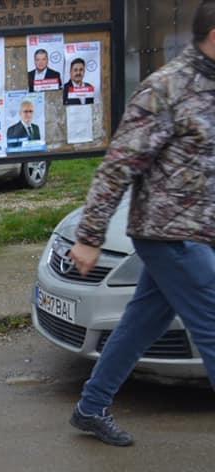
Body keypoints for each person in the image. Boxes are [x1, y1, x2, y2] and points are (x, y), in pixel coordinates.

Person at [67, 0, 215, 446]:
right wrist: (90, 236)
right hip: (170, 235)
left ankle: (91, 407)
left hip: (198, 234)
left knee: (142, 323)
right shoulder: (166, 88)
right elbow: (118, 165)